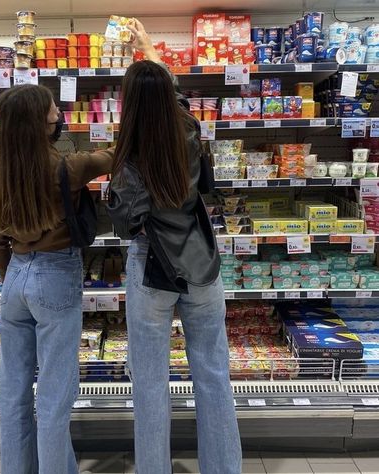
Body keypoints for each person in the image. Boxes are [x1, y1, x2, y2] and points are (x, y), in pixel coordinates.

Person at [107, 20, 242, 474]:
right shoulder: (188, 127)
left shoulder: (130, 155)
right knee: (213, 376)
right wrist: (150, 52)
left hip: (153, 270)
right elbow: (175, 96)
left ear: (128, 106)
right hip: (201, 260)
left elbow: (127, 225)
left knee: (150, 385)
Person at [0, 84, 113, 474]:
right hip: (55, 275)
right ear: (40, 122)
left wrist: (15, 279)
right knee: (55, 394)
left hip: (15, 277)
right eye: (54, 110)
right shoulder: (65, 168)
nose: (59, 115)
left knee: (14, 393)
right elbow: (112, 156)